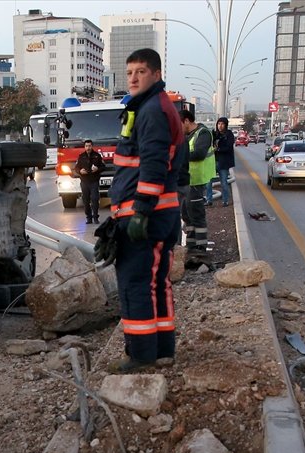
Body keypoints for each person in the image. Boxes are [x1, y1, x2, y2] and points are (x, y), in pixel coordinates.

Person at [104, 47, 187, 373]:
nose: (134, 78)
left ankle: (140, 355)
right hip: (162, 214)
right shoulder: (157, 106)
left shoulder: (152, 110)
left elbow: (153, 164)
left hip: (146, 216)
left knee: (135, 284)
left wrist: (140, 210)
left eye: (140, 71)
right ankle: (163, 350)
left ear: (155, 73)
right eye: (129, 73)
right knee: (157, 283)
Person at [181, 109, 215, 257]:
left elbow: (199, 154)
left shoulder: (203, 133)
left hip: (197, 179)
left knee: (196, 214)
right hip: (188, 179)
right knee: (187, 214)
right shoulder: (188, 136)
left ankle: (201, 248)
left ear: (187, 121)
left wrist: (179, 155)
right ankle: (191, 245)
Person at [74, 139, 105, 224]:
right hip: (84, 181)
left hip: (94, 181)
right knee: (86, 200)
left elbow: (103, 167)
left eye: (89, 146)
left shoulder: (97, 156)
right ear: (84, 147)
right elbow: (76, 168)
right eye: (86, 146)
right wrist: (80, 171)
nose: (88, 148)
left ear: (92, 146)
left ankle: (95, 217)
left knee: (95, 199)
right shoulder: (81, 156)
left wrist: (97, 169)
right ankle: (88, 217)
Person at [212, 117, 236, 206]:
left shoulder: (229, 135)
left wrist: (218, 149)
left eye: (222, 124)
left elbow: (228, 147)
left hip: (224, 162)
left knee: (224, 182)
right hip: (214, 161)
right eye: (218, 124)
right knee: (208, 181)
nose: (220, 126)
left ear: (226, 125)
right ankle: (209, 199)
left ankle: (225, 200)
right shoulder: (215, 134)